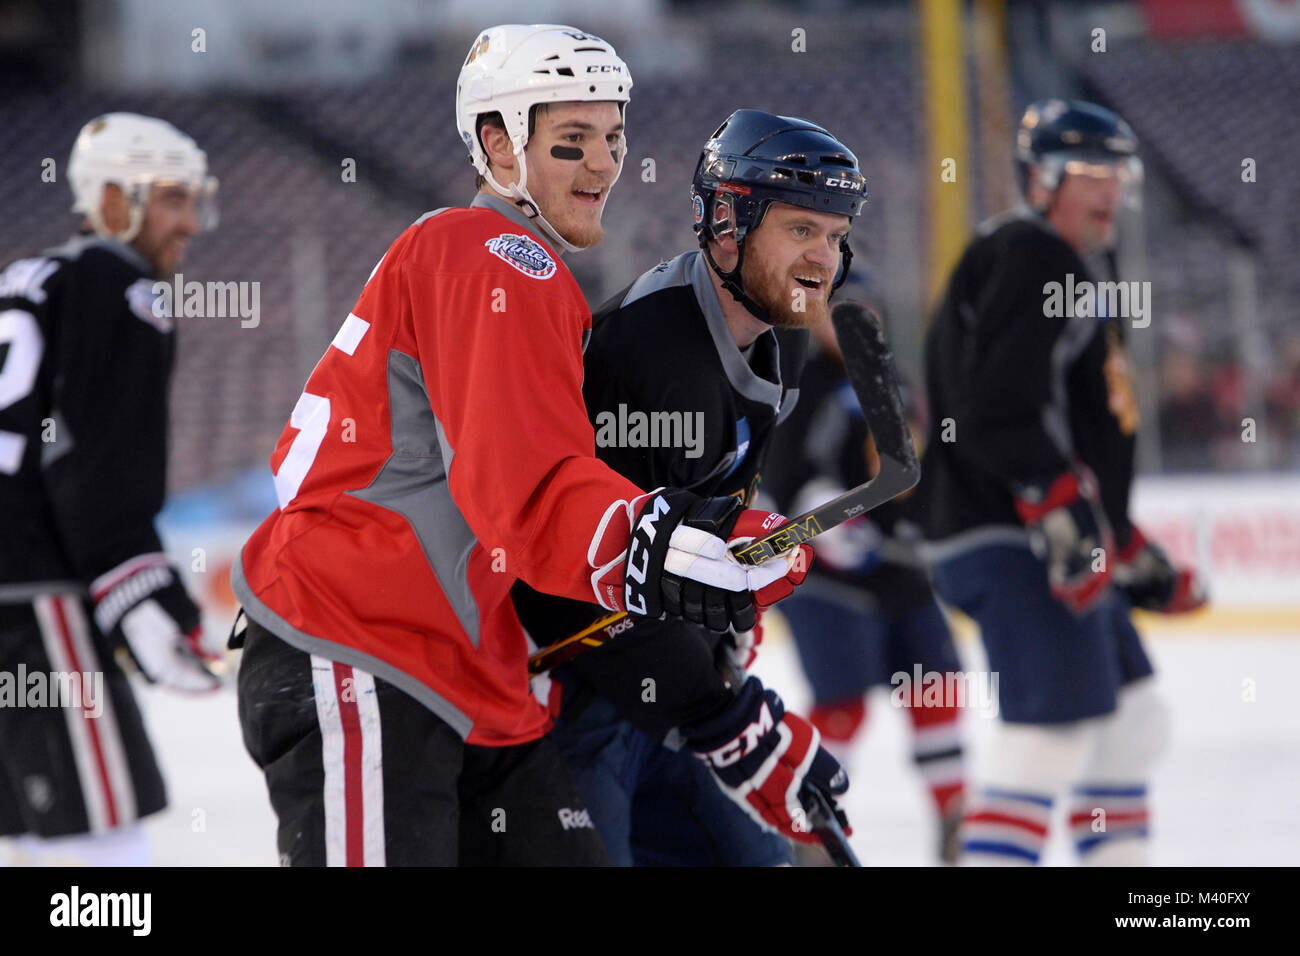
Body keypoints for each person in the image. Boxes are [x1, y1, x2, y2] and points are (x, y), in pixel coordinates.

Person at [229, 27, 809, 866]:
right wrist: (668, 547)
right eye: (571, 142)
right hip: (360, 642)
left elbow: (535, 481)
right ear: (497, 145)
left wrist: (693, 541)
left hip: (467, 670)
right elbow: (523, 487)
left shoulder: (512, 267)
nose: (605, 166)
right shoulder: (494, 255)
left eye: (613, 139)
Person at [514, 109, 863, 865]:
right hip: (571, 689)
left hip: (669, 683)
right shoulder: (648, 353)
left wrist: (728, 622)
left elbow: (719, 507)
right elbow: (586, 588)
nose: (823, 259)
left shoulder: (784, 336)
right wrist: (733, 722)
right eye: (802, 230)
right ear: (729, 225)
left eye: (834, 237)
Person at [913, 99, 1206, 866]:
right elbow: (995, 414)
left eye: (1117, 170)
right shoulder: (1037, 254)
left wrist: (1115, 531)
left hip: (1034, 529)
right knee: (1052, 737)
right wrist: (1062, 509)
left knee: (1130, 722)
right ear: (1041, 180)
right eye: (1086, 171)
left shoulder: (1050, 259)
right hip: (1012, 534)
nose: (1107, 188)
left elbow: (1047, 416)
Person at [0, 112, 221, 866]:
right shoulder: (120, 284)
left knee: (32, 826)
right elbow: (94, 466)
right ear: (113, 200)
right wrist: (147, 593)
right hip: (38, 593)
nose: (191, 223)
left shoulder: (30, 276)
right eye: (171, 200)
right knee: (99, 827)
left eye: (195, 200)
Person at [763, 304, 967, 864]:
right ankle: (813, 829)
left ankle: (955, 820)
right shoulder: (793, 377)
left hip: (901, 573)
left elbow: (926, 465)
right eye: (837, 313)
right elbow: (782, 472)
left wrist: (934, 522)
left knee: (936, 687)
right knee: (843, 701)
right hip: (826, 577)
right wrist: (825, 520)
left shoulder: (891, 379)